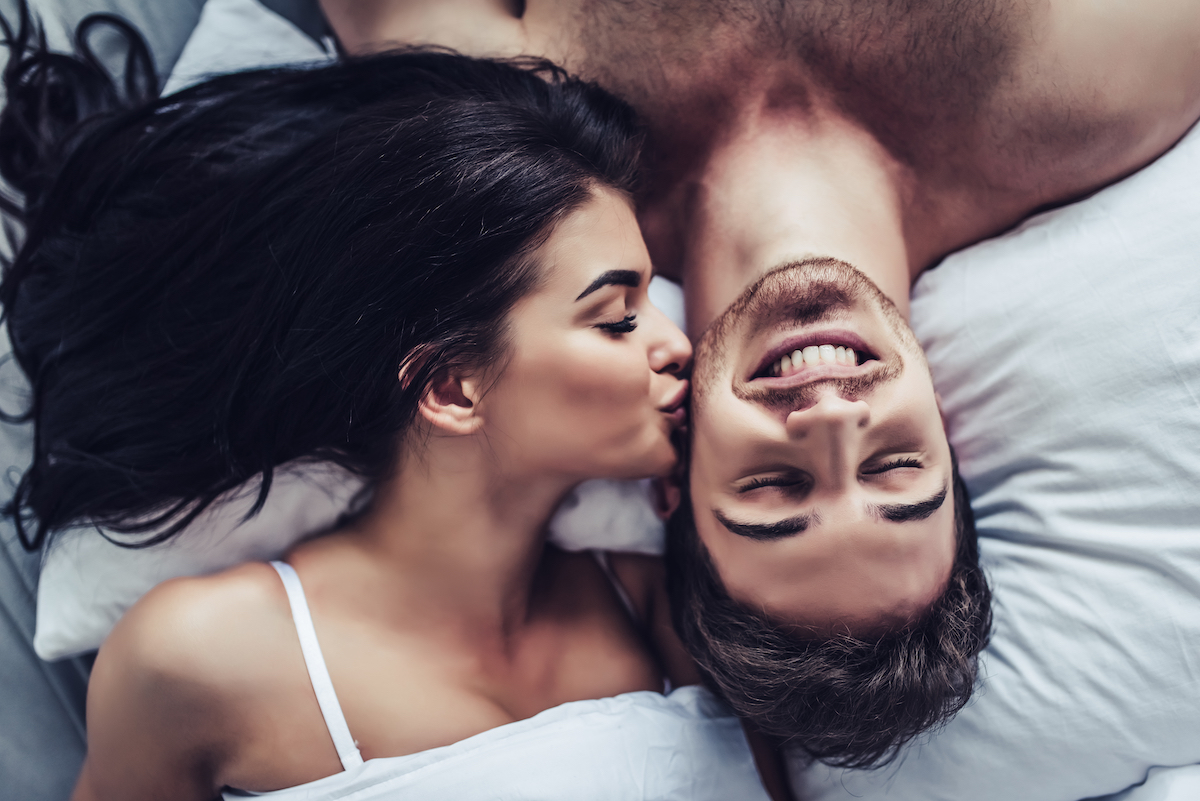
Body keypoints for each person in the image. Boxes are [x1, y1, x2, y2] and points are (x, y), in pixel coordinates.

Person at [318, 0, 1200, 768]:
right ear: (947, 428)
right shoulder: (1100, 96)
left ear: (673, 481)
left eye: (775, 484)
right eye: (896, 467)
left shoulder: (521, 141)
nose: (829, 422)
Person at [0, 11, 788, 800]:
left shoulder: (666, 606)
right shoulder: (199, 655)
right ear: (450, 388)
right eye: (618, 317)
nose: (678, 342)